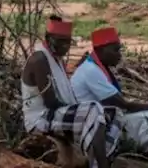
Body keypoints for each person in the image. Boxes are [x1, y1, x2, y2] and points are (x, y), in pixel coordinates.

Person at [71, 26, 148, 167]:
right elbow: (124, 105)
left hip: (101, 120)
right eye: (116, 50)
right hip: (94, 128)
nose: (119, 54)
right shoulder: (91, 71)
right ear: (101, 50)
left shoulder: (96, 67)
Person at [21, 15, 121, 168]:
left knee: (114, 113)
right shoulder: (40, 59)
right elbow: (50, 102)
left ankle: (98, 160)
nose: (64, 46)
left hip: (55, 113)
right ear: (48, 38)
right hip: (41, 118)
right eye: (59, 41)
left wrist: (77, 109)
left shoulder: (57, 59)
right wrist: (78, 109)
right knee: (93, 110)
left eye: (67, 41)